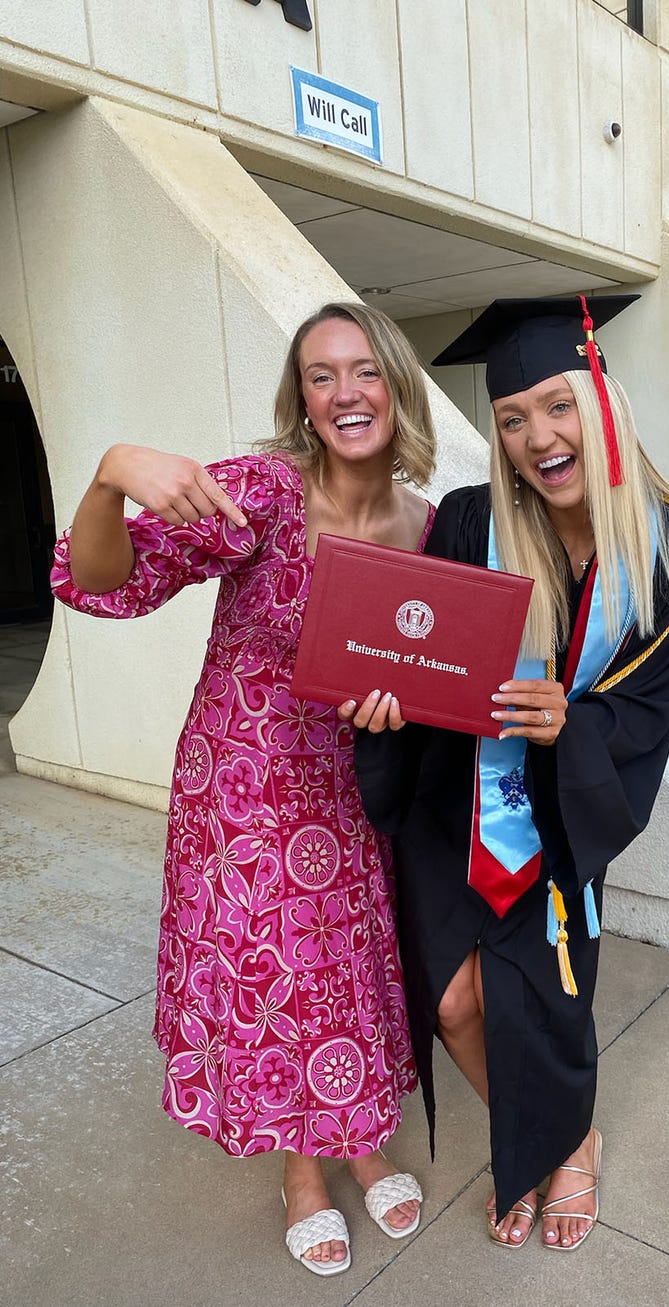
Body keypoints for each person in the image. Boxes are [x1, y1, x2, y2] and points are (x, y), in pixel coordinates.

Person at [49, 303, 435, 1277]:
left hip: (355, 777)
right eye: (320, 375)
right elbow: (100, 576)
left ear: (395, 383)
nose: (345, 392)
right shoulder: (261, 492)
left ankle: (357, 1133)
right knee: (281, 972)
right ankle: (300, 1171)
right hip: (249, 781)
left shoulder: (426, 526)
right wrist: (110, 470)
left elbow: (432, 665)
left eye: (363, 370)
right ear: (301, 401)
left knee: (347, 960)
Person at [344, 295, 669, 1254]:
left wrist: (571, 725)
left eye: (556, 406)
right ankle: (550, 1129)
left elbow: (651, 705)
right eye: (513, 418)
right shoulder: (470, 521)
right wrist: (380, 705)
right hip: (452, 797)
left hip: (561, 811)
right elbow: (417, 659)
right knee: (455, 997)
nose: (537, 436)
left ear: (600, 404)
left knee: (542, 994)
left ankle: (561, 1138)